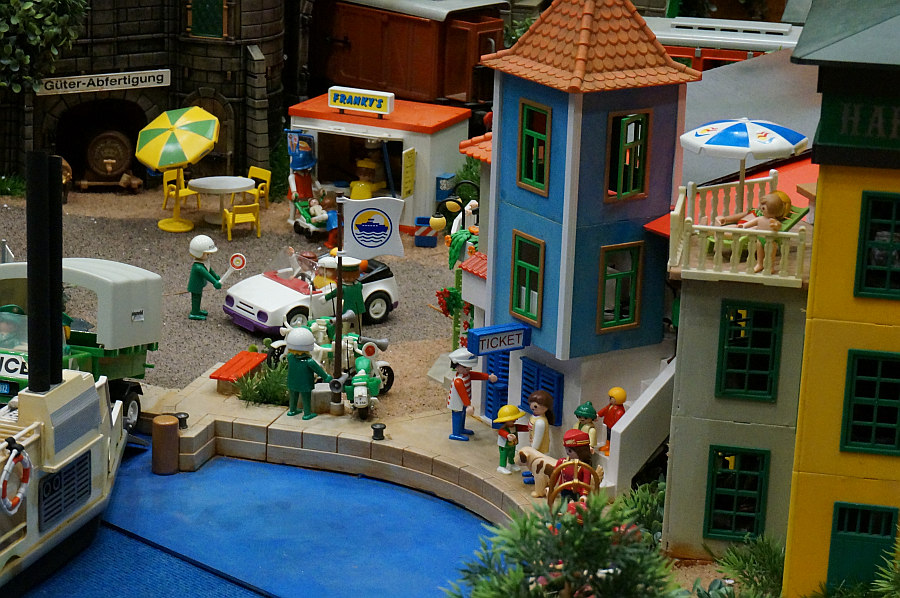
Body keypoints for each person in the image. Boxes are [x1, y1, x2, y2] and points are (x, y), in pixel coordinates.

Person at [714, 190, 793, 273]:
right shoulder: (758, 215)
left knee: (770, 255)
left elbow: (778, 226)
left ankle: (770, 267)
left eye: (764, 207)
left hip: (768, 240)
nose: (761, 208)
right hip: (758, 238)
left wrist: (776, 225)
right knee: (759, 254)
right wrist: (742, 225)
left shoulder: (773, 221)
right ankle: (759, 264)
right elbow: (748, 221)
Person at [446, 347, 497, 441]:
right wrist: (468, 404)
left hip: (464, 402)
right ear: (457, 366)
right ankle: (455, 433)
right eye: (466, 367)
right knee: (457, 415)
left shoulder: (466, 375)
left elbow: (476, 375)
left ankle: (461, 429)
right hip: (457, 402)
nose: (468, 369)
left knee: (462, 415)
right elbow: (462, 394)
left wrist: (488, 377)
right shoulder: (458, 381)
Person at [285, 327, 332, 420]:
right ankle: (307, 414)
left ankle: (292, 410)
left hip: (292, 382)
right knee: (306, 398)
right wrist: (326, 377)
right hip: (305, 384)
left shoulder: (290, 357)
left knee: (293, 396)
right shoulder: (309, 361)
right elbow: (319, 370)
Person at [522, 390, 554, 485]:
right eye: (531, 404)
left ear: (545, 408)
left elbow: (538, 438)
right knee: (533, 463)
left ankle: (536, 478)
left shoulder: (540, 422)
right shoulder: (534, 417)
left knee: (538, 464)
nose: (532, 407)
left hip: (539, 448)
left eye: (536, 406)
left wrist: (533, 449)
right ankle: (532, 473)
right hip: (533, 444)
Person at [187, 235, 221, 321]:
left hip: (199, 284)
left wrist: (215, 276)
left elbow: (209, 270)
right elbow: (207, 274)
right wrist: (214, 282)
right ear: (199, 253)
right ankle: (194, 313)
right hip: (195, 286)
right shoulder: (198, 267)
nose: (208, 255)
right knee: (196, 298)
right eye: (206, 254)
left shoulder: (203, 262)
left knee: (198, 297)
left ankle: (197, 310)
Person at [553, 429, 594, 501]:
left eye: (570, 451)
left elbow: (586, 482)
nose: (567, 453)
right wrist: (550, 487)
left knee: (577, 506)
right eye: (566, 449)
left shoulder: (584, 467)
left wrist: (584, 494)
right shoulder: (562, 462)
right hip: (564, 489)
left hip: (577, 492)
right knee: (564, 505)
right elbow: (554, 476)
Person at [287, 141, 319, 224]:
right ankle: (291, 218)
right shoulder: (293, 176)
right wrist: (294, 191)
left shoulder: (308, 175)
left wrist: (320, 188)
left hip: (306, 193)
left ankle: (305, 217)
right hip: (296, 195)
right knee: (294, 206)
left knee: (307, 206)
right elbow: (292, 184)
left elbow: (315, 181)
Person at [493, 404, 527, 474]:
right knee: (504, 455)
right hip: (504, 445)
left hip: (512, 444)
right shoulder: (503, 429)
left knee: (512, 454)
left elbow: (521, 427)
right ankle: (502, 466)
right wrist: (507, 435)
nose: (515, 420)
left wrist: (528, 428)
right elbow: (501, 432)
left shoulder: (514, 426)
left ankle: (511, 463)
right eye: (512, 419)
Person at [597, 387, 627, 456]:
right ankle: (608, 445)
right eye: (610, 397)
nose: (610, 399)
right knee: (608, 436)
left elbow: (618, 422)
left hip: (613, 427)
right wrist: (598, 414)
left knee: (613, 438)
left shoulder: (619, 411)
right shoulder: (610, 406)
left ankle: (612, 449)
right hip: (609, 424)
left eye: (611, 398)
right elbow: (604, 410)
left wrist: (616, 428)